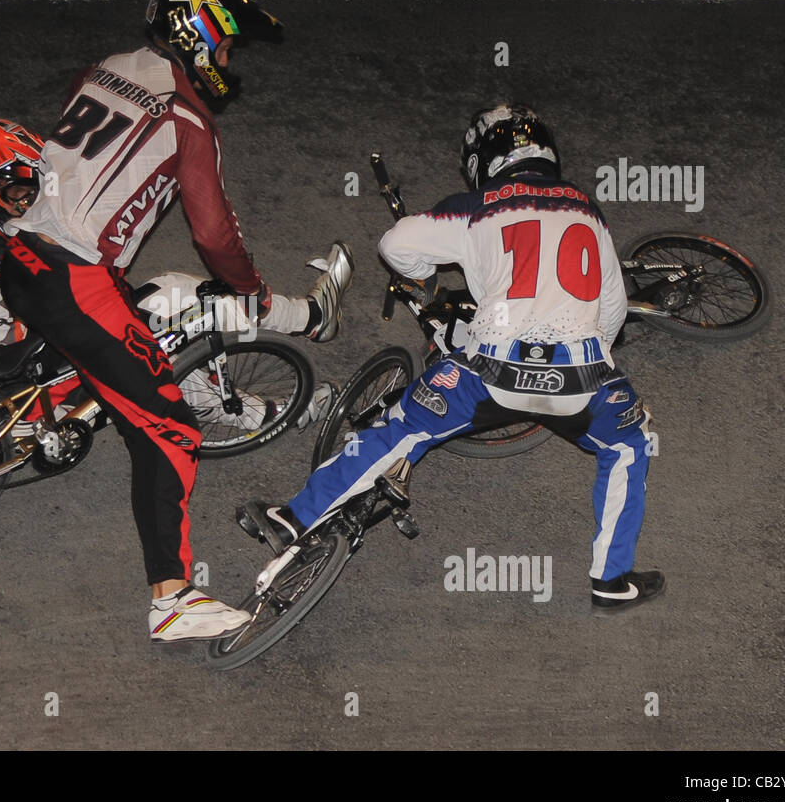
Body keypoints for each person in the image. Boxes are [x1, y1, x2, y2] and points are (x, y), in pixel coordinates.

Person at [0, 0, 352, 642]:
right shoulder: (191, 120)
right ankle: (171, 598)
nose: (226, 64)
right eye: (223, 51)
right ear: (197, 41)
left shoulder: (105, 69)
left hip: (18, 252)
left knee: (113, 346)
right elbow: (215, 236)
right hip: (76, 282)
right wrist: (248, 290)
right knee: (168, 427)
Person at [243, 104, 663, 616]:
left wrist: (425, 277)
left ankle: (295, 517)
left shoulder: (478, 206)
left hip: (491, 372)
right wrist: (593, 355)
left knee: (399, 430)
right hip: (582, 378)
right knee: (629, 446)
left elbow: (395, 244)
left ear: (485, 159)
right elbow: (613, 309)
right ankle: (611, 581)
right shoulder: (587, 210)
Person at [0, 116, 351, 435]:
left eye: (32, 191)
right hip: (21, 394)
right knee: (177, 315)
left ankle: (302, 328)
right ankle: (287, 376)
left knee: (170, 309)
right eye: (15, 195)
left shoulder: (14, 223)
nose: (28, 204)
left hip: (46, 356)